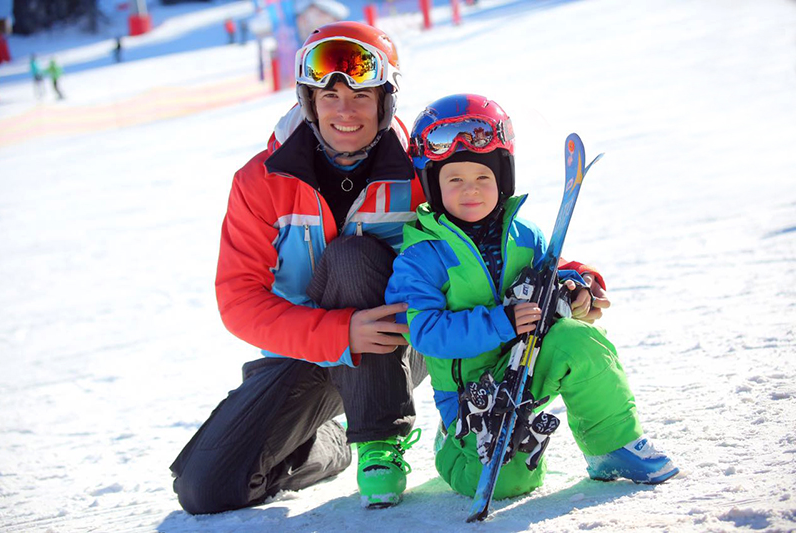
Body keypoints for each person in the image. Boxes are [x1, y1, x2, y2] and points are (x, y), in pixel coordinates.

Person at [170, 22, 428, 514]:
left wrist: (566, 277)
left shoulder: (421, 168)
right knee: (206, 489)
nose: (344, 110)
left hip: (394, 344)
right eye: (328, 95)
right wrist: (336, 331)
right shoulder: (261, 181)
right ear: (308, 101)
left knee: (352, 257)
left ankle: (378, 438)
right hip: (303, 349)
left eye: (362, 95)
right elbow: (239, 300)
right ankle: (326, 446)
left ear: (386, 99)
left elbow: (489, 232)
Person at [385, 94, 679, 501]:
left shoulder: (525, 236)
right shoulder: (421, 257)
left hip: (526, 365)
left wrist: (572, 289)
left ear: (502, 179)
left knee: (578, 340)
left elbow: (548, 278)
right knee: (514, 484)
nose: (471, 190)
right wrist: (500, 322)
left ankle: (612, 447)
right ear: (433, 184)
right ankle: (454, 449)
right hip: (473, 398)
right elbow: (426, 333)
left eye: (483, 178)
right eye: (454, 179)